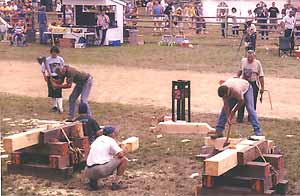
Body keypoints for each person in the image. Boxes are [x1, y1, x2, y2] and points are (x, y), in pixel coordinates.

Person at [85, 126, 128, 191]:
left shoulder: (98, 139)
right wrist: (123, 148)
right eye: (114, 132)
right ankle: (117, 183)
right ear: (111, 133)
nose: (116, 134)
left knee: (97, 159)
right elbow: (121, 154)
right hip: (100, 170)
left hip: (88, 171)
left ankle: (93, 182)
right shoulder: (110, 140)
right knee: (123, 159)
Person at [236, 50, 264, 123]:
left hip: (253, 83)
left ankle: (251, 118)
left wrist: (262, 87)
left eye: (251, 57)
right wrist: (236, 77)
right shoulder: (243, 61)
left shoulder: (257, 63)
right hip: (243, 83)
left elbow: (261, 76)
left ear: (254, 57)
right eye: (248, 57)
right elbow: (240, 71)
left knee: (252, 102)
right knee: (241, 100)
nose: (249, 59)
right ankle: (239, 118)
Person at [40, 46, 64, 113]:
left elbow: (63, 69)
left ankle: (61, 107)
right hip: (50, 77)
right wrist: (45, 76)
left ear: (57, 53)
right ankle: (55, 106)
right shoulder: (47, 60)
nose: (54, 54)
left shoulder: (60, 59)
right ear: (51, 53)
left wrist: (62, 76)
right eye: (53, 53)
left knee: (59, 92)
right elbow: (43, 69)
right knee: (52, 92)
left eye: (55, 53)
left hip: (58, 77)